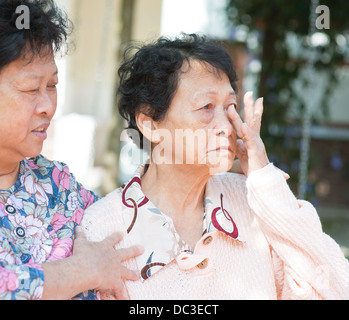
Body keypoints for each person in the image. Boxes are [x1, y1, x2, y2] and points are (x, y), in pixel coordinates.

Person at [80, 33, 349, 300]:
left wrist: (266, 181)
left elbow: (334, 289)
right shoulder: (104, 228)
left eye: (231, 106)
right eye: (207, 107)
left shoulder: (255, 203)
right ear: (150, 124)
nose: (226, 126)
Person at [0, 0, 143, 300]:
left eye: (52, 85)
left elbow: (135, 231)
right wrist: (82, 271)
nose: (48, 107)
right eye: (30, 89)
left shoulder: (58, 184)